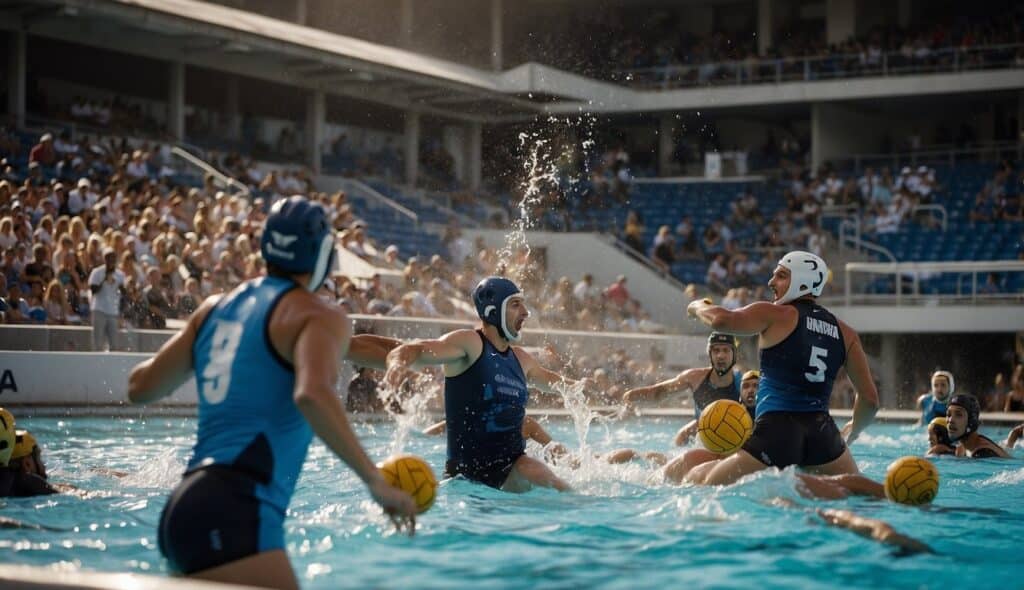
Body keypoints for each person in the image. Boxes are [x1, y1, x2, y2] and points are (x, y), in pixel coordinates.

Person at [128, 196, 416, 590]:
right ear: (324, 255)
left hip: (183, 508)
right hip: (236, 507)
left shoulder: (216, 308)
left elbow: (140, 387)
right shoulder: (319, 314)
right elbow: (311, 394)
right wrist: (374, 480)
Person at [678, 251, 880, 486]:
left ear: (802, 281)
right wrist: (851, 433)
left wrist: (698, 306)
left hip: (777, 431)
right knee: (857, 496)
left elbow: (722, 320)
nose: (771, 282)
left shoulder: (775, 314)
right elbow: (870, 399)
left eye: (781, 276)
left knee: (698, 483)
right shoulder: (847, 333)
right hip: (823, 435)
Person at [385, 276, 582, 493]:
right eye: (516, 304)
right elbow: (418, 349)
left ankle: (581, 504)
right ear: (493, 310)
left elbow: (554, 381)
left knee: (537, 471)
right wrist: (397, 363)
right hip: (465, 478)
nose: (525, 312)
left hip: (511, 470)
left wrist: (582, 386)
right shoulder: (470, 344)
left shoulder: (520, 359)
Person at [623, 332, 741, 446]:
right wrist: (632, 396)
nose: (720, 355)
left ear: (734, 355)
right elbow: (659, 392)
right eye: (716, 351)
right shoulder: (694, 378)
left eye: (726, 350)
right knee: (682, 436)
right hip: (705, 435)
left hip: (734, 435)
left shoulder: (745, 382)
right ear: (710, 354)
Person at [945, 394, 1010, 459]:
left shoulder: (984, 453)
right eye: (948, 414)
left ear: (971, 421)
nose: (951, 420)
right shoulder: (962, 448)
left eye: (958, 415)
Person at [88, 246, 124, 351]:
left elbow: (123, 293)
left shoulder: (120, 275)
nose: (111, 260)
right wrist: (104, 279)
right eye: (108, 257)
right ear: (104, 259)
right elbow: (93, 290)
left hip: (113, 311)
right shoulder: (97, 272)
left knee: (114, 344)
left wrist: (121, 286)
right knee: (97, 343)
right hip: (99, 310)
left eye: (113, 258)